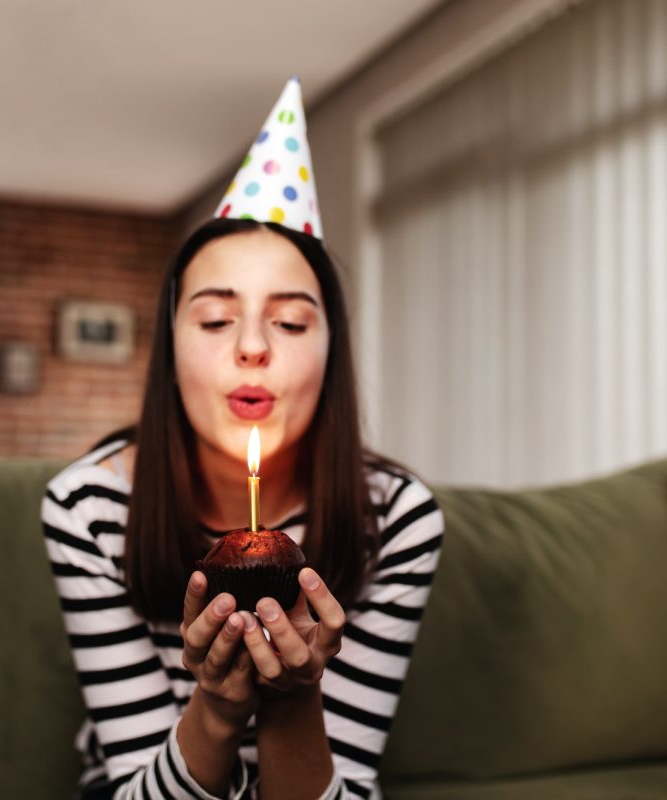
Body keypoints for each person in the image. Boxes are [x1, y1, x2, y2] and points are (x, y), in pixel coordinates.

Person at [42, 77, 444, 800]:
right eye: (215, 319)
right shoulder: (88, 508)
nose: (253, 346)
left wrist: (294, 699)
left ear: (332, 350)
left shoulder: (397, 518)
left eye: (290, 322)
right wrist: (220, 707)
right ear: (171, 346)